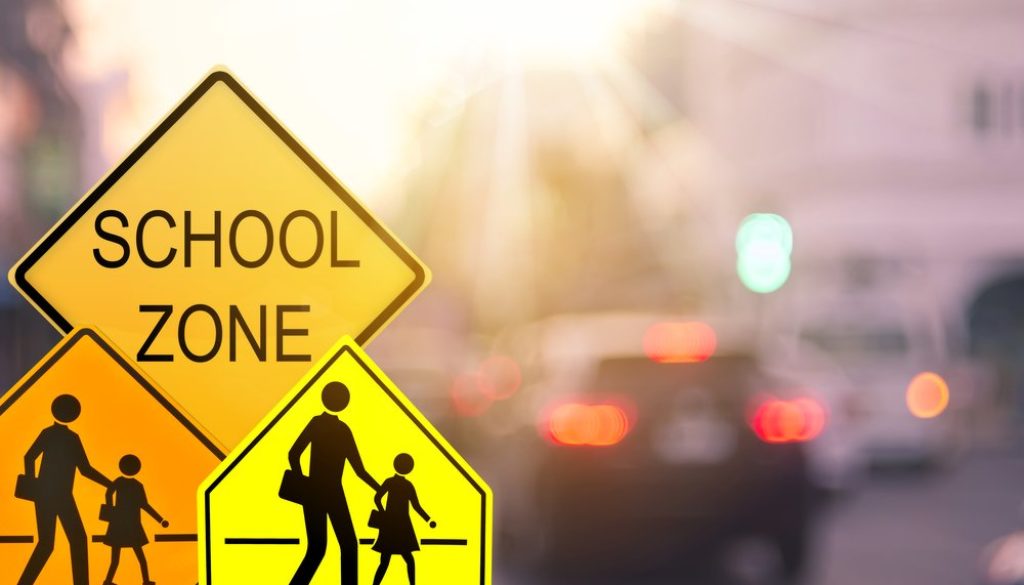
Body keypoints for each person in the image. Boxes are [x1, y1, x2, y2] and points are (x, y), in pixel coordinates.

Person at [287, 382, 380, 585]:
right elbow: (359, 470)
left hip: (320, 492)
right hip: (327, 492)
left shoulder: (323, 425)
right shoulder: (338, 429)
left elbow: (294, 455)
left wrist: (305, 484)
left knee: (323, 547)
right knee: (338, 547)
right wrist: (379, 488)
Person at [18, 394, 111, 585]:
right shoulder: (67, 438)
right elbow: (85, 470)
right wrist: (110, 484)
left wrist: (35, 484)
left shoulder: (53, 434)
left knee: (59, 542)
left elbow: (29, 457)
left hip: (52, 496)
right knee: (65, 542)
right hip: (55, 496)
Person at [101, 454, 169, 585]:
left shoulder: (122, 483)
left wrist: (160, 520)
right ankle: (111, 581)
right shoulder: (135, 485)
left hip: (123, 525)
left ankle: (110, 581)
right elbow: (144, 505)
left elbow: (109, 492)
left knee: (120, 558)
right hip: (128, 525)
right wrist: (110, 509)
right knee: (136, 557)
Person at [371, 453, 436, 585]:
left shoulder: (394, 482)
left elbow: (377, 498)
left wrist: (428, 519)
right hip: (399, 525)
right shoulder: (406, 485)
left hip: (396, 526)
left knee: (389, 560)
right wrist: (428, 520)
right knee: (402, 559)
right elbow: (416, 506)